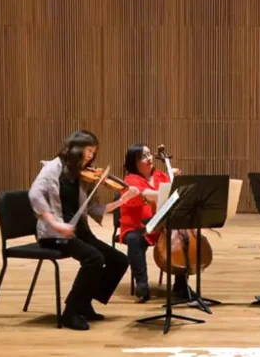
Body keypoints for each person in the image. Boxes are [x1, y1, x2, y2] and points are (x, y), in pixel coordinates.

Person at [29, 129, 138, 330]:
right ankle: (70, 312)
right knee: (94, 258)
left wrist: (123, 200)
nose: (91, 156)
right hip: (54, 234)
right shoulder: (53, 168)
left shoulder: (82, 174)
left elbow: (93, 209)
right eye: (88, 150)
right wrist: (55, 223)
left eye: (93, 152)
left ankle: (84, 301)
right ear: (75, 148)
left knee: (119, 260)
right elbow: (35, 195)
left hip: (79, 231)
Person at [117, 143, 191, 303]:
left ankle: (181, 284)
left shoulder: (161, 176)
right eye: (143, 157)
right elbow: (144, 194)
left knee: (182, 237)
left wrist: (174, 180)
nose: (149, 158)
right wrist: (165, 192)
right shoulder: (130, 180)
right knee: (134, 240)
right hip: (138, 227)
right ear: (134, 163)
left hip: (161, 227)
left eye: (149, 154)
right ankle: (142, 284)